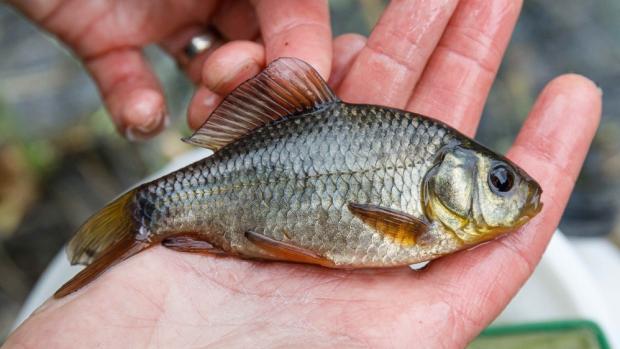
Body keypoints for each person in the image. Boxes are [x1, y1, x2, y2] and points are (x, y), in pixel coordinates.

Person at [4, 0, 601, 347]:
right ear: (452, 175)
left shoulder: (426, 211)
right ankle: (142, 221)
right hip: (248, 188)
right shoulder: (420, 228)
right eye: (499, 181)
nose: (512, 190)